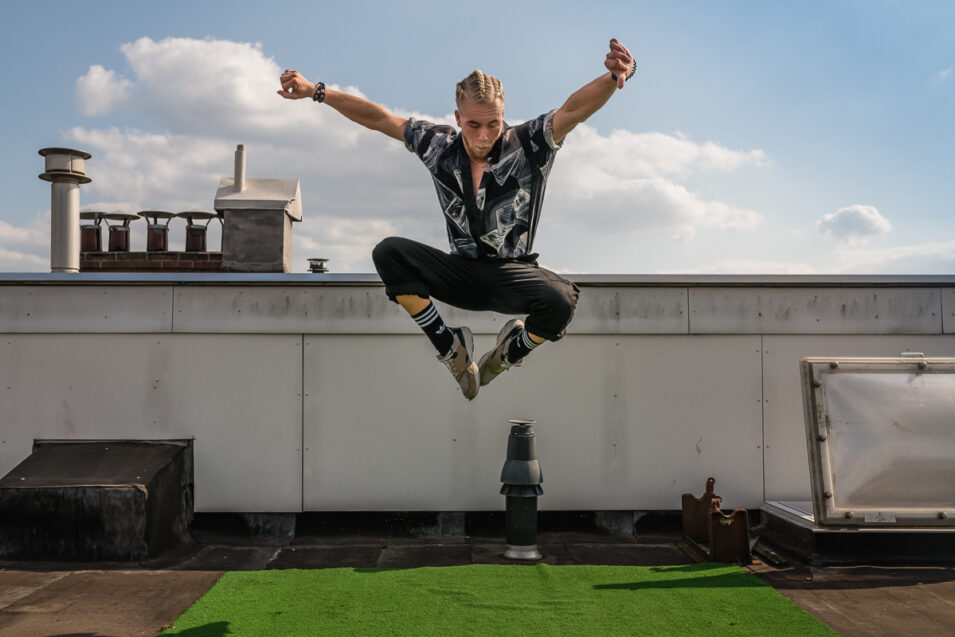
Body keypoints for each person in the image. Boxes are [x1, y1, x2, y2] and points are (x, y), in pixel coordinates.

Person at [279, 39, 635, 401]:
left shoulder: (529, 143)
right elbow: (378, 118)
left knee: (561, 301)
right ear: (457, 118)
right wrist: (316, 92)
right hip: (459, 271)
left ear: (503, 116)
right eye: (474, 125)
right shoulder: (437, 145)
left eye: (493, 124)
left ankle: (507, 354)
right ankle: (451, 348)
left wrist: (615, 76)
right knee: (388, 252)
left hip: (510, 274)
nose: (483, 137)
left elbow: (574, 110)